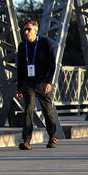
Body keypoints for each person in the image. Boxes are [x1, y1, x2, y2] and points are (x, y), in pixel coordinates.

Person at [16, 20, 59, 150]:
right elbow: (20, 68)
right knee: (28, 109)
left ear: (35, 31)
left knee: (47, 111)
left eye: (28, 30)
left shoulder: (45, 43)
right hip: (29, 83)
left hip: (43, 82)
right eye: (24, 30)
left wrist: (49, 82)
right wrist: (19, 88)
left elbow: (52, 64)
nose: (26, 32)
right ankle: (26, 140)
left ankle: (52, 137)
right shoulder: (22, 46)